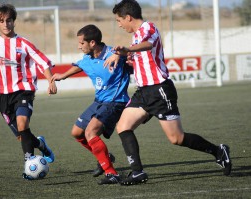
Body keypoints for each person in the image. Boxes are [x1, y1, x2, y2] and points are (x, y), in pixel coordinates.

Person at [104, 0, 232, 186]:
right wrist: (125, 58)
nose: (119, 24)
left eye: (118, 20)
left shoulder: (148, 28)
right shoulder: (136, 36)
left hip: (160, 90)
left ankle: (219, 151)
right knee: (123, 126)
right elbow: (142, 56)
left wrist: (127, 50)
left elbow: (147, 44)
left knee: (176, 138)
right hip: (144, 92)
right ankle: (137, 172)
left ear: (128, 17)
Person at [0, 4, 57, 180]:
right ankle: (40, 145)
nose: (6, 24)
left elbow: (42, 62)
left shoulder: (24, 43)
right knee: (22, 136)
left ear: (14, 21)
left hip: (23, 90)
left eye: (9, 20)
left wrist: (51, 80)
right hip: (1, 96)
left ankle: (29, 164)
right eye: (2, 21)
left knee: (22, 124)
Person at [51, 24, 131, 185]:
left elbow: (132, 55)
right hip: (99, 101)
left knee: (90, 132)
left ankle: (111, 173)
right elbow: (79, 66)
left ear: (92, 43)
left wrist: (123, 55)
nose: (78, 46)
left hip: (115, 102)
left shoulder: (113, 54)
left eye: (81, 43)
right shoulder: (88, 58)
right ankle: (105, 158)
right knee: (76, 133)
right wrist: (63, 76)